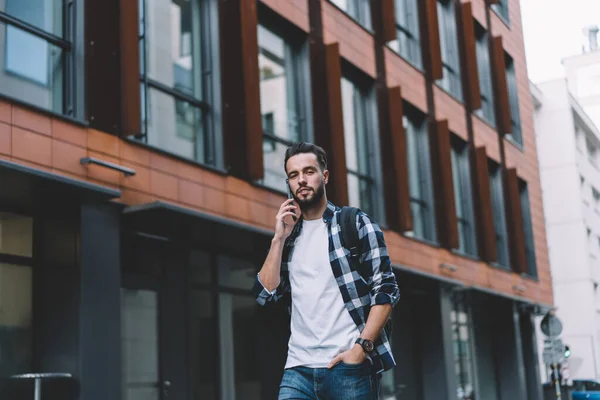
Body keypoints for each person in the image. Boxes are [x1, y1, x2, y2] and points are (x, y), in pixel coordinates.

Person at [252, 142, 400, 400]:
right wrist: (278, 239)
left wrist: (361, 349)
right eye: (294, 175)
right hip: (298, 369)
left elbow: (386, 290)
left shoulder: (353, 223)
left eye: (309, 171)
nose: (301, 180)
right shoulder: (289, 236)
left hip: (348, 367)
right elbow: (265, 293)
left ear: (325, 176)